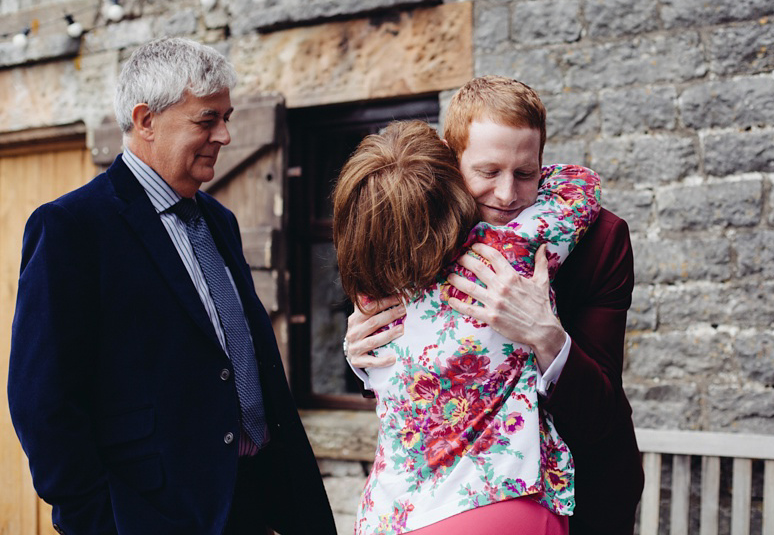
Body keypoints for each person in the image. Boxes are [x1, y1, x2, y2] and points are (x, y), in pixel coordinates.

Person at [8, 37, 335, 535]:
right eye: (207, 119)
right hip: (151, 514)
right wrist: (99, 522)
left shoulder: (219, 220)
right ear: (145, 121)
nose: (225, 135)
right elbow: (42, 404)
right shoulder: (72, 228)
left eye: (226, 117)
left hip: (253, 501)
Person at [344, 76, 643, 535]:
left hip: (579, 492)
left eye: (526, 174)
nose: (507, 194)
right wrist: (364, 352)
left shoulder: (600, 238)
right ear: (451, 158)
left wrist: (546, 336)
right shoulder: (422, 227)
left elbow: (602, 415)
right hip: (436, 494)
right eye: (488, 172)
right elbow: (423, 375)